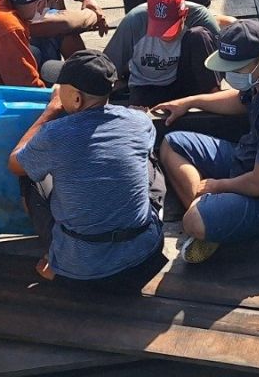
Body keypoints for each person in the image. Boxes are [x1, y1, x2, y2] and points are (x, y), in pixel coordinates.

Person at [157, 20, 259, 264]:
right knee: (171, 144)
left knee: (192, 221)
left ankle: (212, 219)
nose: (229, 76)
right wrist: (189, 102)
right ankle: (215, 219)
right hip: (250, 159)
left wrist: (218, 186)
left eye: (236, 69)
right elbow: (240, 99)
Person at [9, 51, 166, 285]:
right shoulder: (139, 121)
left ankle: (55, 257)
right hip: (144, 260)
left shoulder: (54, 134)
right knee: (147, 160)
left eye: (60, 86)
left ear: (76, 99)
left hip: (80, 273)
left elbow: (14, 163)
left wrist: (50, 111)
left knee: (27, 172)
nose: (56, 89)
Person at [104, 0, 221, 107]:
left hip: (186, 77)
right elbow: (107, 64)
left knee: (199, 35)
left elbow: (224, 56)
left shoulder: (200, 16)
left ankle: (213, 95)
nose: (164, 35)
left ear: (185, 15)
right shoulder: (134, 21)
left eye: (170, 27)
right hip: (148, 85)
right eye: (159, 28)